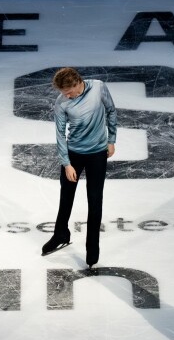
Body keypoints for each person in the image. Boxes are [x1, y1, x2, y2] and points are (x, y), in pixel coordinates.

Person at [41, 67, 117, 268]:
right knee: (66, 197)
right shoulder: (62, 102)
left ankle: (92, 249)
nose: (66, 96)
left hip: (98, 154)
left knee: (95, 201)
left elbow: (111, 110)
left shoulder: (99, 88)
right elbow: (59, 134)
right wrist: (66, 163)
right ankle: (60, 234)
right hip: (74, 154)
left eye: (68, 91)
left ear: (77, 83)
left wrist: (112, 140)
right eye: (63, 93)